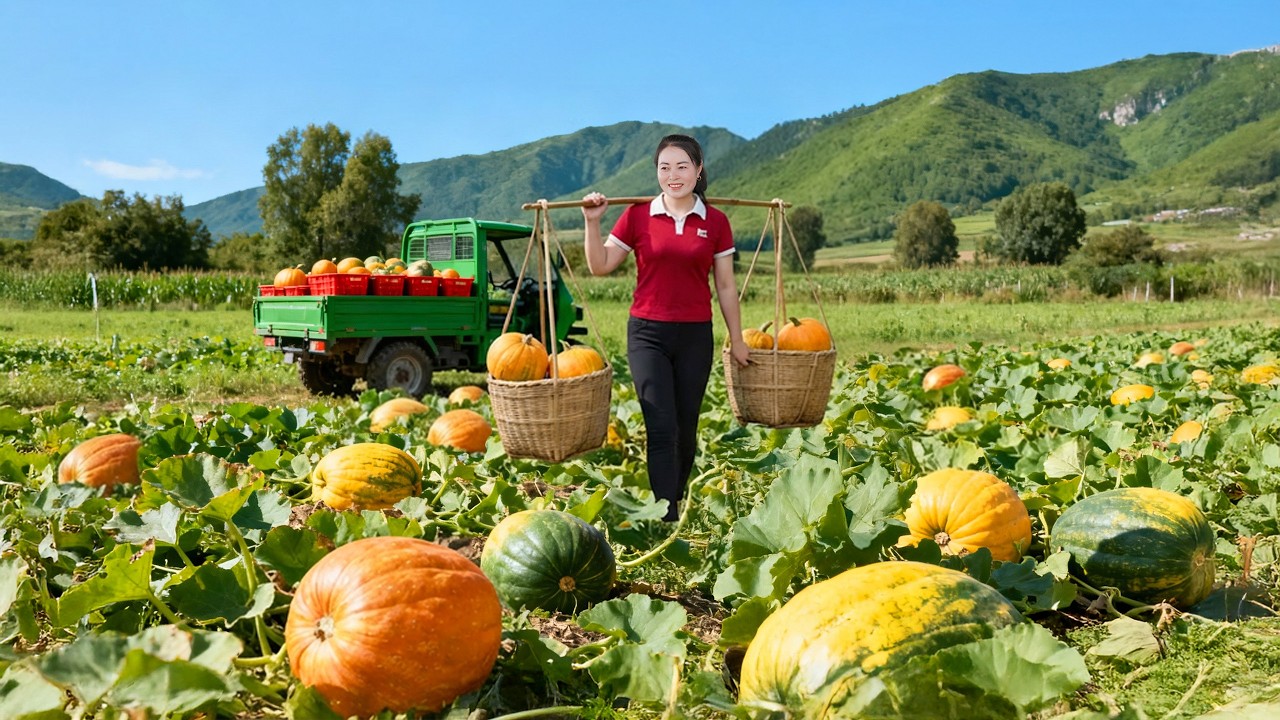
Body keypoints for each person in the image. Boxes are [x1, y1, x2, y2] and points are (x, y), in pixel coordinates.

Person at [582, 134, 751, 522]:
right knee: (660, 426)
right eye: (664, 167)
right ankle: (667, 514)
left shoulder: (716, 222)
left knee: (686, 426)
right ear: (656, 172)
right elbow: (600, 265)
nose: (673, 175)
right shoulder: (638, 216)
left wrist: (737, 339)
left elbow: (725, 286)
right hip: (647, 334)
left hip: (695, 334)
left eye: (682, 166)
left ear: (698, 170)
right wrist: (592, 223)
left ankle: (676, 495)